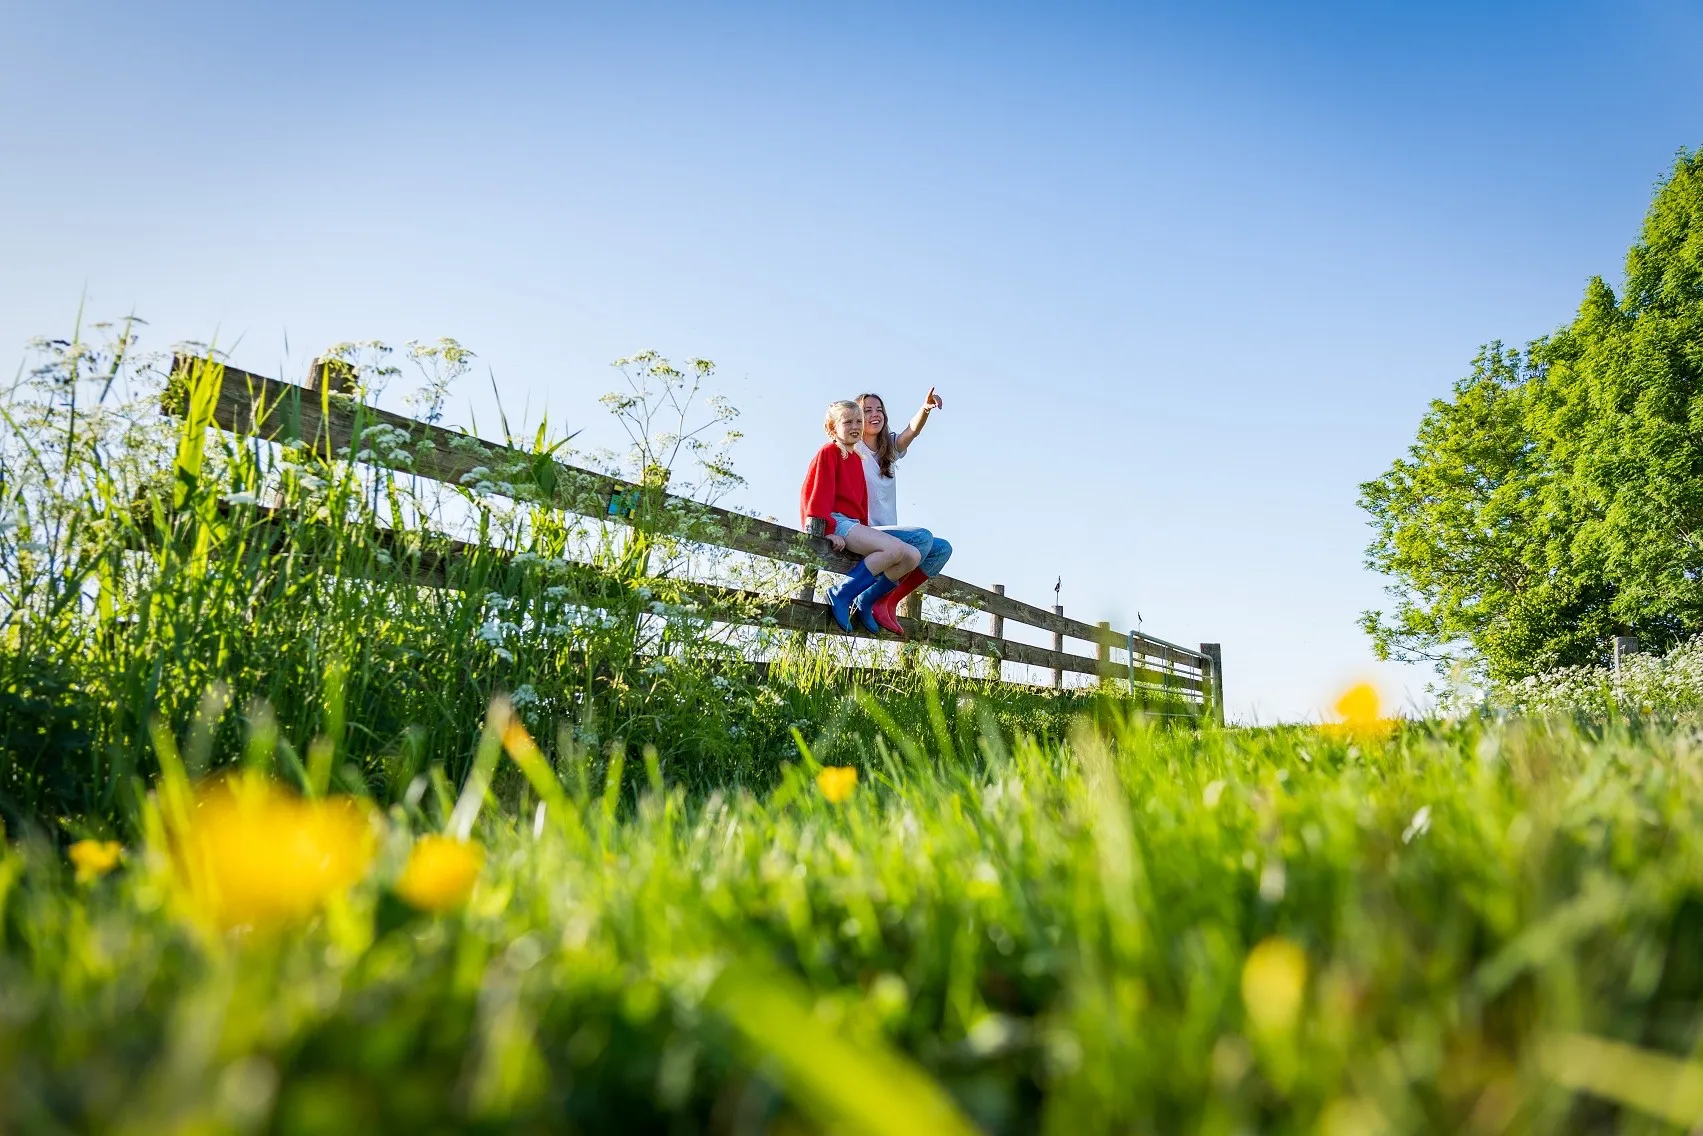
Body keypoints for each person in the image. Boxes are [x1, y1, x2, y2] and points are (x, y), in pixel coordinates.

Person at [800, 400, 922, 633]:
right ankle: (841, 593)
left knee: (912, 557)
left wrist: (866, 530)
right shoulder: (829, 452)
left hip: (854, 525)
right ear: (832, 428)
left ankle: (866, 599)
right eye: (848, 422)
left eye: (859, 421)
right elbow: (817, 495)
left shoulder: (857, 458)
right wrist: (828, 530)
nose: (855, 426)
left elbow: (861, 503)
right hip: (837, 522)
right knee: (894, 550)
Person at [848, 390, 953, 636]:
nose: (875, 414)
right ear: (856, 417)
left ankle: (888, 601)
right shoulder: (853, 448)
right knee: (922, 538)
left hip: (889, 533)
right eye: (867, 410)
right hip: (865, 531)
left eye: (879, 409)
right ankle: (867, 596)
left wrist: (925, 408)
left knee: (942, 549)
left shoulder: (888, 450)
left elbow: (911, 431)